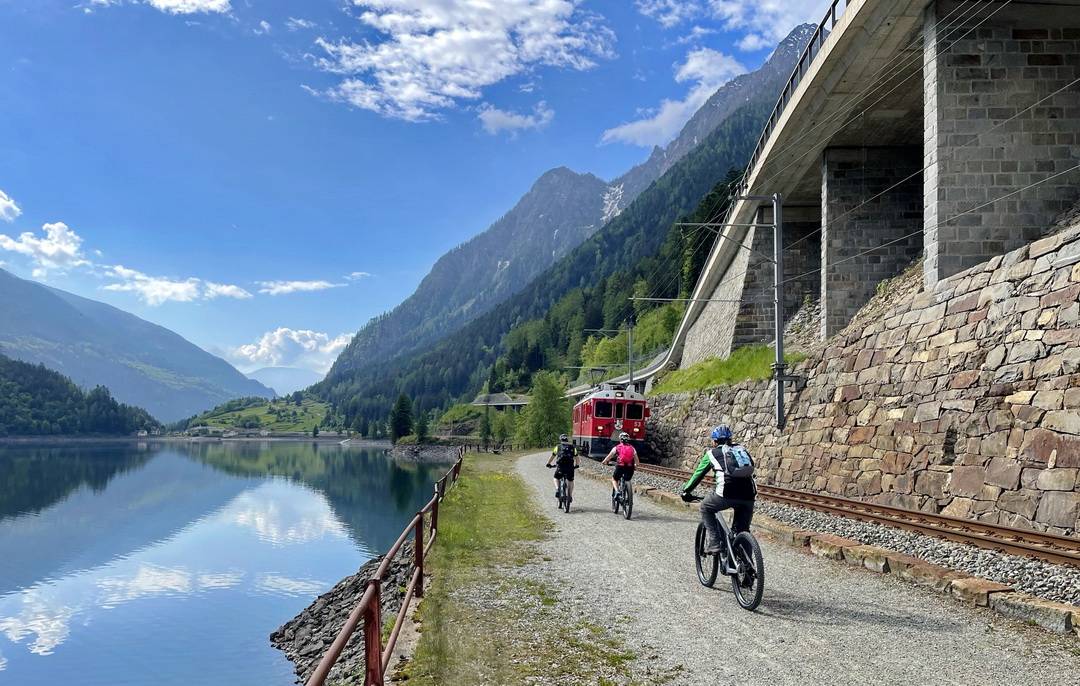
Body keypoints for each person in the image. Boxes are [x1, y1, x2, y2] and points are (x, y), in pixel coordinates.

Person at [680, 426, 756, 556]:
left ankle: (715, 543)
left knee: (706, 507)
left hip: (725, 494)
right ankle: (748, 569)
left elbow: (698, 475)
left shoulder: (711, 454)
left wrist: (686, 491)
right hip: (749, 495)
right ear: (730, 439)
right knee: (743, 530)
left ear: (715, 442)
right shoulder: (741, 449)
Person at [600, 432, 639, 500]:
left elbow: (609, 456)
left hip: (620, 466)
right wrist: (635, 465)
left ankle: (617, 492)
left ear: (620, 440)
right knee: (627, 479)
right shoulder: (632, 448)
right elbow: (637, 461)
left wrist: (604, 462)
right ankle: (627, 491)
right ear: (628, 440)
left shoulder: (617, 447)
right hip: (630, 467)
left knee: (614, 479)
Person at [546, 434, 579, 505]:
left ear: (560, 440)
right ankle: (569, 495)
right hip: (570, 467)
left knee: (556, 478)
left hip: (560, 467)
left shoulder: (558, 447)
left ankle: (558, 489)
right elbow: (577, 458)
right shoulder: (573, 447)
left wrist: (548, 463)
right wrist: (577, 465)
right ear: (567, 440)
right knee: (571, 480)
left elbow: (552, 456)